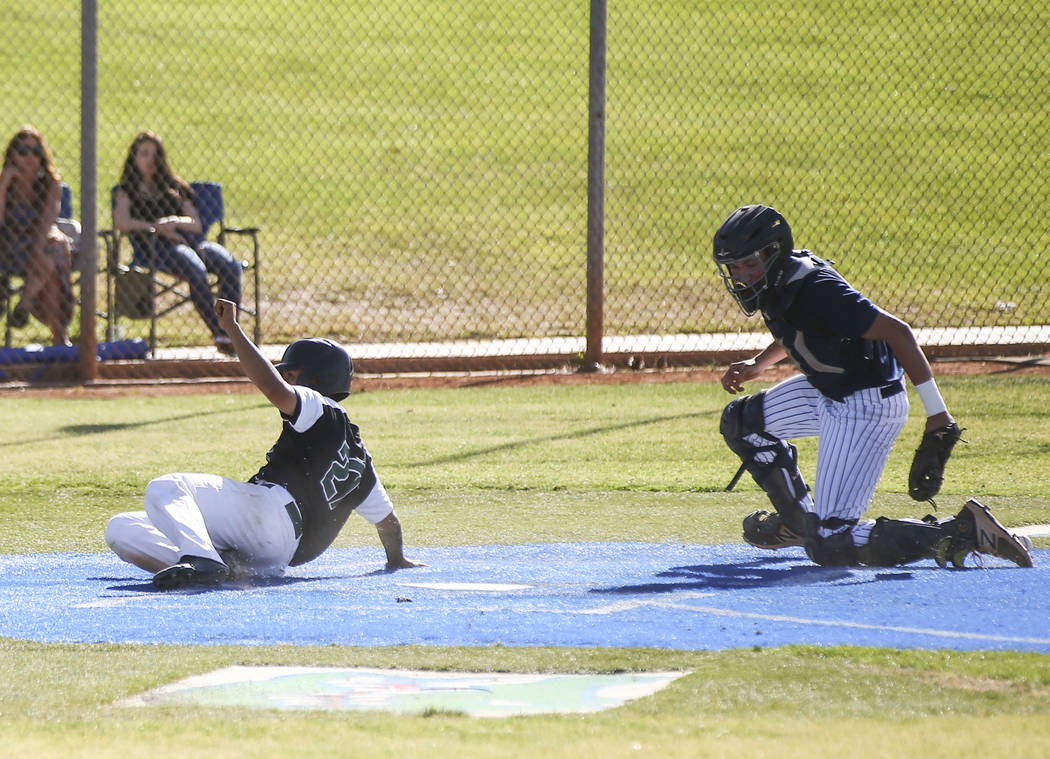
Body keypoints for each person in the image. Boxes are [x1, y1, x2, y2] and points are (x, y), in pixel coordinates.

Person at [712, 203, 1032, 569]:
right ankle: (800, 524)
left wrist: (938, 414)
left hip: (864, 405)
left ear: (774, 252)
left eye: (749, 264)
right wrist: (758, 364)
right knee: (743, 423)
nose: (742, 275)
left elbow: (899, 333)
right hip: (829, 389)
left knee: (831, 546)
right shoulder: (782, 278)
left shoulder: (817, 288)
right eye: (734, 268)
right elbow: (800, 328)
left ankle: (961, 531)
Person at [104, 298, 424, 588]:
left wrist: (233, 328)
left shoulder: (318, 405)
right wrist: (396, 559)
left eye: (291, 373)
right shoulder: (358, 455)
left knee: (167, 487)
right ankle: (225, 569)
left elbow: (274, 389)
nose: (284, 377)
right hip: (274, 556)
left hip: (268, 514)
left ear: (314, 380)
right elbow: (388, 522)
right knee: (121, 528)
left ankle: (204, 561)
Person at [113, 130, 242, 355]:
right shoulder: (127, 190)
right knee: (196, 270)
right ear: (134, 157)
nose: (150, 160)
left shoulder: (174, 187)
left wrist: (173, 222)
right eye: (144, 154)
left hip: (193, 242)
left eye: (155, 155)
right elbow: (122, 222)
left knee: (231, 266)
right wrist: (155, 228)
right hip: (156, 248)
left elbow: (195, 224)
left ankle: (231, 330)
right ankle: (219, 332)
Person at [0, 126, 73, 346]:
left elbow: (47, 222)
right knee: (50, 259)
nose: (30, 157)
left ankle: (25, 305)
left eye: (35, 151)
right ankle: (58, 335)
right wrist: (4, 185)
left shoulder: (51, 184)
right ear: (12, 155)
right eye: (23, 151)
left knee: (54, 247)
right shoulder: (4, 183)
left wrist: (35, 251)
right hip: (6, 248)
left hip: (36, 247)